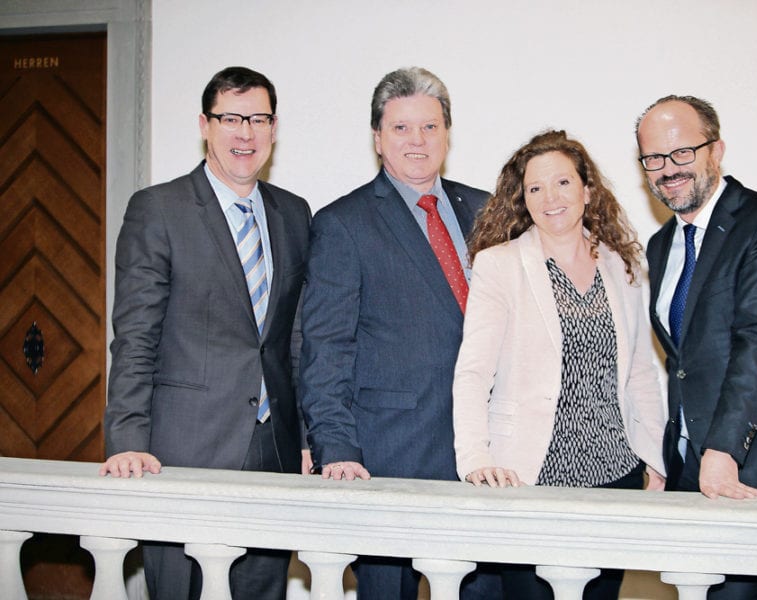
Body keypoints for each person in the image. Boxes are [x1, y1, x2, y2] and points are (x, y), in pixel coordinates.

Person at [99, 66, 312, 600]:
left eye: (258, 118)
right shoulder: (159, 209)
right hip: (181, 452)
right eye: (231, 118)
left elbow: (298, 340)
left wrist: (313, 440)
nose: (245, 132)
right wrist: (126, 439)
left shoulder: (293, 213)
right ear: (205, 124)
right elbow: (135, 336)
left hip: (273, 451)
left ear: (274, 127)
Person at [299, 67, 493, 599]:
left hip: (486, 451)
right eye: (402, 128)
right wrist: (335, 447)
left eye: (430, 127)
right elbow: (326, 347)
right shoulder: (344, 222)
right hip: (388, 455)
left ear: (447, 134)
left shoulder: (487, 211)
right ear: (378, 137)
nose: (417, 141)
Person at [636, 95, 757, 599]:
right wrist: (671, 453)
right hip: (693, 459)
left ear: (716, 149)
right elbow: (682, 364)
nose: (668, 170)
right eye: (653, 159)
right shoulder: (661, 246)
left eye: (682, 153)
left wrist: (723, 448)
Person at [453, 130, 666, 600]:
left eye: (563, 183)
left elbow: (639, 374)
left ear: (587, 190)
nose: (550, 198)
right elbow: (472, 373)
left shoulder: (623, 265)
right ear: (522, 200)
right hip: (528, 477)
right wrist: (475, 459)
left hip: (616, 476)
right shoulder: (499, 265)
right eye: (534, 188)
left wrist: (654, 455)